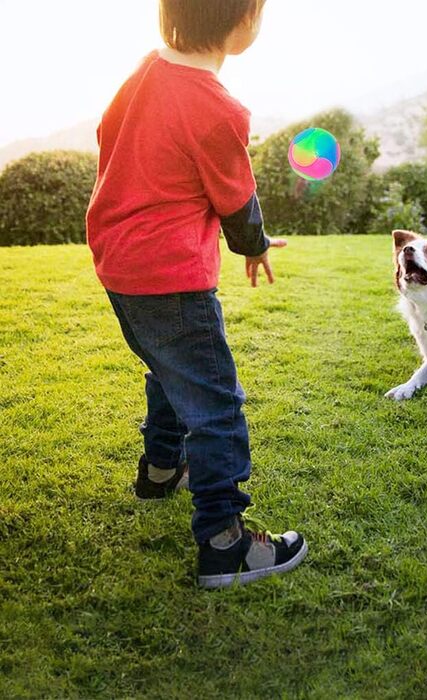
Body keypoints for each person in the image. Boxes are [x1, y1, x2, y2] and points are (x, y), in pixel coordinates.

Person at [86, 0, 307, 588]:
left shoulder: (141, 74)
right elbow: (235, 196)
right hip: (171, 275)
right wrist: (254, 245)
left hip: (120, 267)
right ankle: (224, 542)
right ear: (237, 23)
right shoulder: (217, 107)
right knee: (215, 403)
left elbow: (110, 143)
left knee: (166, 370)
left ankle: (161, 470)